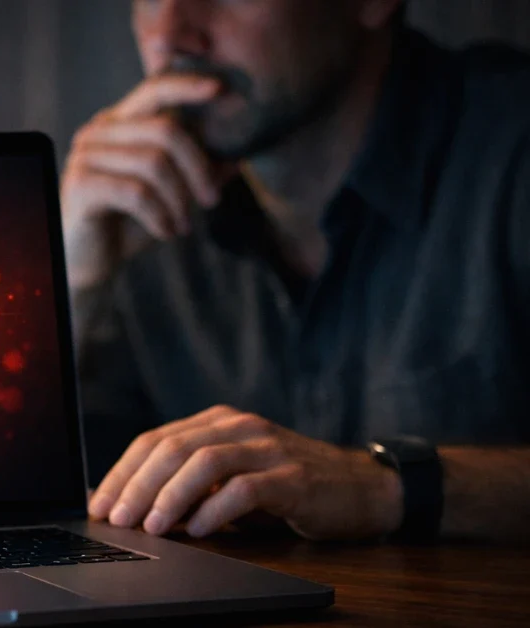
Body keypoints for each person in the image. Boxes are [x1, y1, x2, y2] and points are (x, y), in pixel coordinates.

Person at [66, 0, 530, 544]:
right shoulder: (137, 211)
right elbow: (51, 499)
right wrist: (68, 291)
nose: (170, 35)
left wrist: (379, 488)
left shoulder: (510, 149)